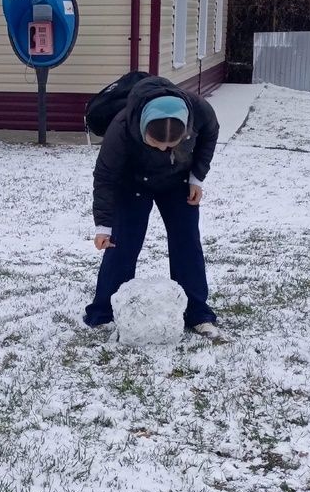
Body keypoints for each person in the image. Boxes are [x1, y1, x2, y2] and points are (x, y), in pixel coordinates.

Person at [84, 76, 221, 337]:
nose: (162, 150)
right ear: (142, 127)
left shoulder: (199, 110)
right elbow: (105, 176)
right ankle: (103, 311)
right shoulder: (122, 125)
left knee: (187, 243)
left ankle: (198, 312)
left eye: (171, 145)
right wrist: (103, 225)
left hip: (178, 182)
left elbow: (210, 133)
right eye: (154, 144)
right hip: (133, 183)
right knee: (121, 244)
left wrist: (196, 177)